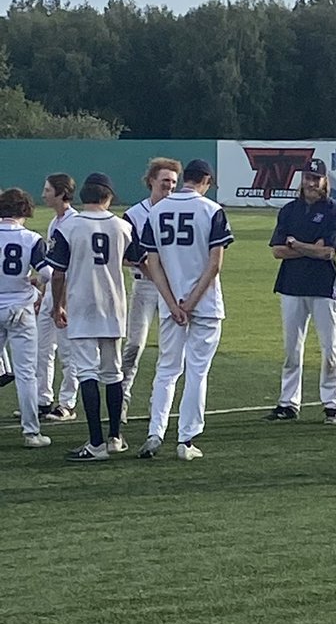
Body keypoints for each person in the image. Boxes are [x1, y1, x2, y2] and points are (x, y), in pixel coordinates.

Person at [138, 158, 234, 461]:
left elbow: (152, 263)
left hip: (170, 304)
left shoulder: (157, 211)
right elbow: (214, 264)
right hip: (203, 304)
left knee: (166, 370)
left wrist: (171, 303)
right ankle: (186, 438)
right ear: (205, 180)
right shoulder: (211, 210)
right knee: (196, 372)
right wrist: (190, 304)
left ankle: (155, 431)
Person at [48, 173, 136, 462]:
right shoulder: (123, 226)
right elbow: (137, 260)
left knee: (87, 371)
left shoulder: (70, 226)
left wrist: (58, 304)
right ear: (108, 196)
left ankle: (96, 443)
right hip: (114, 306)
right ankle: (114, 438)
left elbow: (58, 272)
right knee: (113, 372)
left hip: (83, 305)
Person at [265, 158, 336, 424]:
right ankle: (288, 402)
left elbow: (327, 252)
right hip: (291, 285)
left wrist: (295, 244)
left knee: (330, 348)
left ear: (324, 181)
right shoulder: (289, 210)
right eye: (308, 178)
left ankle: (332, 404)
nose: (311, 183)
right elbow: (277, 251)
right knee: (291, 348)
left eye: (316, 178)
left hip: (324, 287)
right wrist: (310, 248)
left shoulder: (333, 212)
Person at [120, 157, 182, 422]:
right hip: (146, 286)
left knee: (171, 350)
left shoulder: (179, 210)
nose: (169, 186)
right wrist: (156, 276)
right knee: (134, 344)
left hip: (175, 286)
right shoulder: (134, 214)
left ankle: (158, 405)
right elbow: (128, 256)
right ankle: (120, 401)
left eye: (173, 182)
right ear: (151, 182)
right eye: (164, 180)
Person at [0, 188, 52, 448]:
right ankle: (31, 432)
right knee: (26, 374)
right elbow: (48, 273)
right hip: (21, 309)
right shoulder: (31, 238)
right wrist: (34, 284)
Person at [36, 173, 79, 423]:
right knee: (42, 349)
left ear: (62, 193)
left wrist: (61, 302)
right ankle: (43, 400)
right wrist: (43, 295)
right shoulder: (55, 222)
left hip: (68, 293)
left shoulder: (73, 223)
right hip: (52, 292)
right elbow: (52, 266)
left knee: (68, 350)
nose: (44, 194)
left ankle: (67, 403)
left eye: (48, 189)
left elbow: (68, 268)